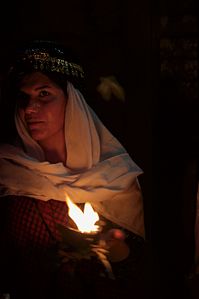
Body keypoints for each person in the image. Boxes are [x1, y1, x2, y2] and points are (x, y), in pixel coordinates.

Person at [0, 40, 145, 299]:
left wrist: (113, 249)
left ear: (73, 101)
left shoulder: (115, 178)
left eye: (44, 94)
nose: (30, 109)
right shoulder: (9, 172)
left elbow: (137, 273)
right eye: (25, 98)